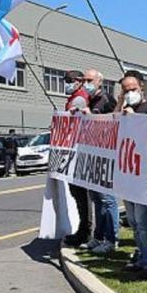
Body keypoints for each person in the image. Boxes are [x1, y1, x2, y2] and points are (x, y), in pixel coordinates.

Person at [117, 72, 147, 280]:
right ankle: (142, 256)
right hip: (129, 174)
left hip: (143, 176)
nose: (129, 93)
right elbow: (113, 125)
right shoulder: (125, 109)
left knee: (144, 221)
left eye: (132, 89)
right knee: (133, 221)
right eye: (126, 90)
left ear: (141, 88)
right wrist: (121, 106)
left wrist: (137, 117)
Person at [80, 69, 121, 255]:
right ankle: (99, 236)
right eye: (84, 80)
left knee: (108, 200)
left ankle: (112, 239)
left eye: (89, 80)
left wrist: (91, 117)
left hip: (107, 158)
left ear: (99, 82)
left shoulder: (107, 100)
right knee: (96, 199)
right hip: (93, 158)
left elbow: (114, 123)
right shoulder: (89, 100)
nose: (85, 83)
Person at [62, 70, 92, 248]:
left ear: (79, 82)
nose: (67, 83)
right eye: (66, 80)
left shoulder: (79, 99)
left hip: (79, 153)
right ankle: (84, 230)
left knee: (81, 195)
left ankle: (85, 232)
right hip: (73, 151)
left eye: (70, 80)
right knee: (78, 194)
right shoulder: (74, 97)